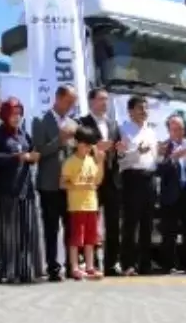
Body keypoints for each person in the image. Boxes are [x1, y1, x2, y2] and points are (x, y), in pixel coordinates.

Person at [0, 97, 43, 284]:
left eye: (19, 114)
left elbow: (32, 151)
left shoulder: (24, 134)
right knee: (8, 233)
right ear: (5, 114)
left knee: (27, 231)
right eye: (13, 114)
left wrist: (33, 157)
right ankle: (8, 271)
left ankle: (26, 270)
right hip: (6, 189)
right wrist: (15, 157)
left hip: (25, 188)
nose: (16, 117)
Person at [34, 85, 78, 281]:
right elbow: (39, 152)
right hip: (49, 183)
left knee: (71, 226)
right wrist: (59, 140)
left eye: (73, 103)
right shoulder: (40, 121)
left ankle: (72, 266)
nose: (70, 106)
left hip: (69, 184)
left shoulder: (72, 123)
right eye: (68, 101)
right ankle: (53, 267)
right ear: (58, 98)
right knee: (51, 227)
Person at [79, 88, 122, 275]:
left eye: (107, 100)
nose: (105, 103)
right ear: (91, 102)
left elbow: (118, 147)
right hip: (91, 179)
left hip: (112, 178)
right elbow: (78, 149)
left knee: (113, 222)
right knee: (90, 222)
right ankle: (92, 263)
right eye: (101, 99)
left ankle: (111, 264)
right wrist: (96, 147)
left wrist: (120, 148)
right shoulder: (82, 122)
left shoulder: (113, 124)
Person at [157, 112, 186, 273]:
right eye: (174, 128)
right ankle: (168, 265)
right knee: (169, 232)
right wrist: (172, 158)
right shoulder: (163, 147)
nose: (177, 131)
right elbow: (159, 171)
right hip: (171, 195)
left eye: (180, 128)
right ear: (169, 130)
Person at [119, 96, 158, 275]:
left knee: (147, 223)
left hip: (149, 178)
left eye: (146, 108)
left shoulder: (151, 131)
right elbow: (121, 157)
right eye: (141, 108)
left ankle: (146, 263)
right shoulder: (123, 130)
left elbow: (154, 156)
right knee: (131, 223)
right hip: (132, 177)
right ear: (131, 111)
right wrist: (137, 152)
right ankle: (128, 263)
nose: (145, 112)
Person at [61, 126, 106, 280]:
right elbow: (62, 183)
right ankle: (74, 267)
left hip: (91, 205)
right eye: (85, 144)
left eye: (90, 145)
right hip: (76, 206)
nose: (87, 148)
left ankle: (90, 266)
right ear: (76, 143)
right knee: (76, 239)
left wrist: (100, 163)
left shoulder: (91, 161)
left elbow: (98, 181)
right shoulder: (70, 162)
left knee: (90, 239)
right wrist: (80, 186)